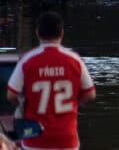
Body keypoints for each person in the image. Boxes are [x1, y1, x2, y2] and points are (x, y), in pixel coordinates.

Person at [6, 12, 96, 150]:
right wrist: (74, 105)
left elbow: (11, 95)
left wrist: (23, 106)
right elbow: (90, 94)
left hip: (35, 139)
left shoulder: (27, 60)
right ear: (61, 33)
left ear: (37, 33)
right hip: (67, 140)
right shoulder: (75, 60)